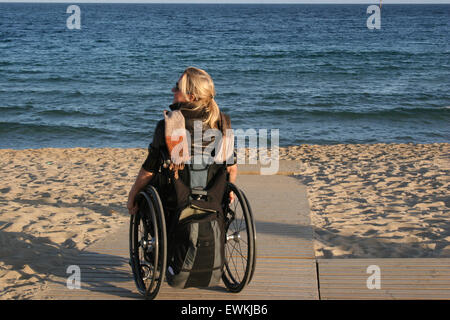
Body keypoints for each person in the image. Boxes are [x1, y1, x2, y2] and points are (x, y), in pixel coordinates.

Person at [127, 67, 237, 215]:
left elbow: (149, 170)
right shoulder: (223, 122)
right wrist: (229, 188)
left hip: (175, 198)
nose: (173, 90)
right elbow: (231, 168)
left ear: (191, 97)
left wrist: (133, 194)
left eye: (178, 88)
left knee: (149, 189)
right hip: (212, 197)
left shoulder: (168, 125)